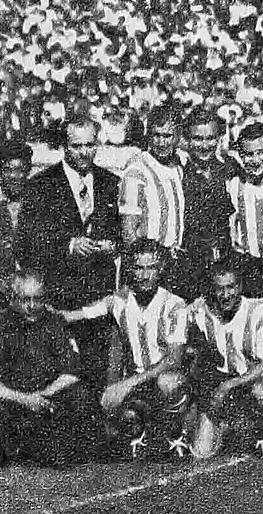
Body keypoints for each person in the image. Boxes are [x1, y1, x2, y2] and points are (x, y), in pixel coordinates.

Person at [17, 116, 121, 392]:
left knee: (94, 375)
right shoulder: (41, 185)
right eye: (77, 146)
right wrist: (68, 244)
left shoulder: (110, 182)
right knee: (57, 377)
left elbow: (120, 233)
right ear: (64, 146)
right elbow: (27, 243)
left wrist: (112, 244)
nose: (84, 152)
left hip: (97, 299)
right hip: (59, 298)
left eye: (90, 144)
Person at [63, 239, 192, 459]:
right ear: (129, 270)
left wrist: (126, 384)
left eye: (150, 268)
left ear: (160, 270)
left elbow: (174, 360)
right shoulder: (118, 301)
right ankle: (142, 427)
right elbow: (77, 315)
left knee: (167, 383)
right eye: (138, 268)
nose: (144, 275)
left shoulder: (174, 305)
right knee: (120, 413)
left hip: (164, 378)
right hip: (137, 381)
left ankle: (178, 430)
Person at [0, 272, 101, 466]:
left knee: (80, 395)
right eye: (25, 300)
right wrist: (24, 400)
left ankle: (70, 453)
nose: (31, 307)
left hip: (46, 402)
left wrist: (44, 395)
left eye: (37, 299)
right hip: (12, 402)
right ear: (12, 298)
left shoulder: (54, 322)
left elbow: (72, 372)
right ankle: (3, 456)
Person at [187, 258, 263, 458]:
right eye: (220, 289)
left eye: (231, 287)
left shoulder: (259, 314)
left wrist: (229, 385)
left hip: (250, 381)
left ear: (240, 286)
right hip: (220, 385)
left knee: (262, 393)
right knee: (201, 454)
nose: (226, 294)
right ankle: (222, 423)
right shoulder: (202, 313)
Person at [177, 107, 238, 300]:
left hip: (225, 260)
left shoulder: (229, 167)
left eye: (210, 138)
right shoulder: (178, 170)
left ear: (219, 138)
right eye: (197, 139)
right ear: (186, 140)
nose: (204, 145)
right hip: (190, 262)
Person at [119, 105, 186, 260]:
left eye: (167, 136)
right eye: (156, 135)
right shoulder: (137, 169)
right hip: (148, 260)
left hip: (174, 258)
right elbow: (129, 230)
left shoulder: (178, 167)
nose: (161, 142)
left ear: (177, 136)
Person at [227, 123, 263, 297]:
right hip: (247, 265)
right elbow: (231, 223)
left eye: (261, 152)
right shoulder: (235, 185)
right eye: (249, 154)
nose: (256, 160)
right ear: (240, 156)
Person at [0, 139, 33, 290]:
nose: (14, 176)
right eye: (7, 170)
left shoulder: (40, 203)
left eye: (20, 170)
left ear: (28, 171)